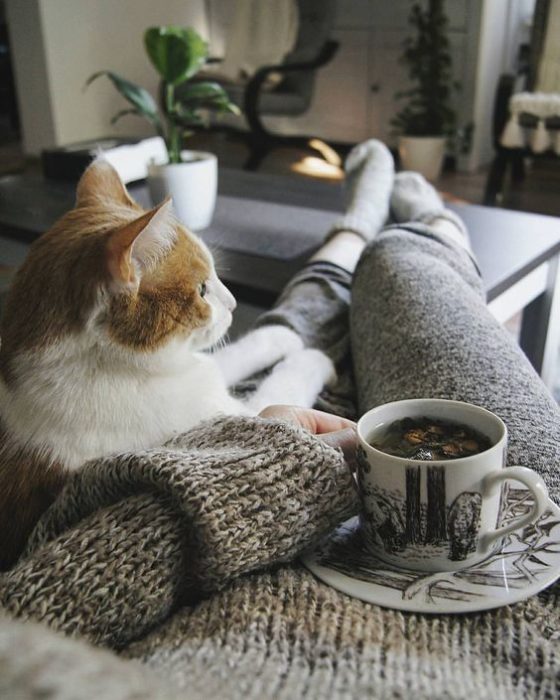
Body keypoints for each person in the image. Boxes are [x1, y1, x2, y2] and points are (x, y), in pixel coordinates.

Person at [1, 141, 559, 699]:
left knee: (306, 313)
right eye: (203, 287)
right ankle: (426, 230)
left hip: (272, 513)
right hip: (504, 599)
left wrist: (272, 448)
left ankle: (353, 240)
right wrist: (276, 453)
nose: (225, 298)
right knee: (401, 268)